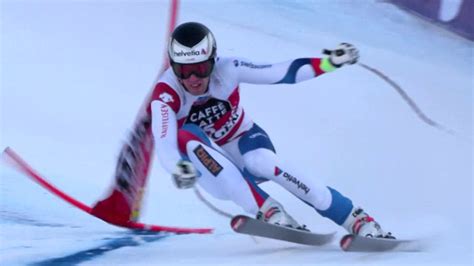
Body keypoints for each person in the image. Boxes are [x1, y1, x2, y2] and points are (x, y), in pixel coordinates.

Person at [93, 22, 393, 239]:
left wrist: (329, 63)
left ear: (213, 60)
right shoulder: (166, 94)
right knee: (187, 135)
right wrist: (179, 167)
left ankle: (355, 218)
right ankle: (270, 211)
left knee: (262, 163)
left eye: (201, 67)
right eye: (185, 71)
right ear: (174, 67)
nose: (195, 78)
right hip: (211, 170)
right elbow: (165, 141)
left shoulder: (230, 68)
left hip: (243, 140)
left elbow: (282, 72)